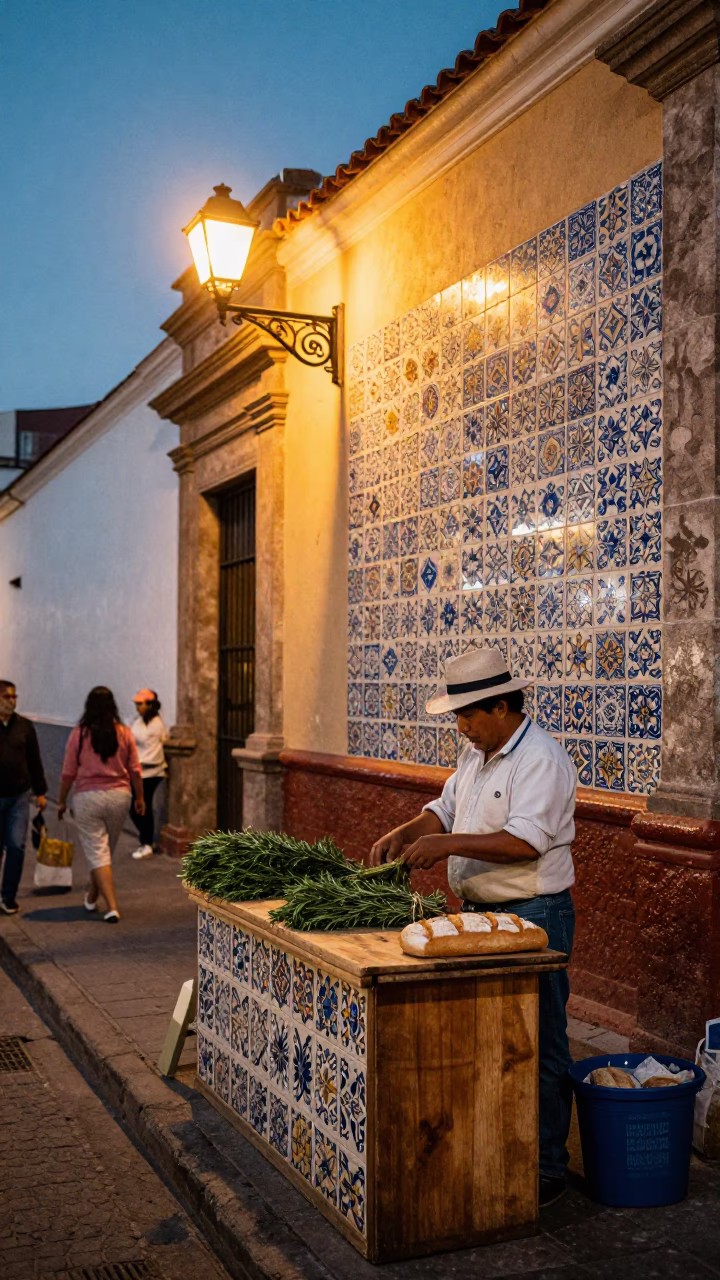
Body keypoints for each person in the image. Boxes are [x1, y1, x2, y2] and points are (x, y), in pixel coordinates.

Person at [369, 647, 577, 1209]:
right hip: (480, 915)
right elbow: (444, 808)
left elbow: (524, 842)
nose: (461, 728)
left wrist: (445, 845)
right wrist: (410, 829)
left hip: (535, 916)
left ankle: (547, 1169)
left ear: (502, 706)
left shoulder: (541, 759)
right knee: (491, 1038)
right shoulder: (476, 757)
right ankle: (498, 1148)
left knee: (541, 1041)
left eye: (468, 716)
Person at [58, 686, 144, 923]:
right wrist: (139, 798)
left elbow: (68, 772)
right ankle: (92, 894)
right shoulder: (124, 733)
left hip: (88, 798)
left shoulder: (79, 734)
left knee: (98, 851)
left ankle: (112, 907)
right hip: (119, 796)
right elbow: (135, 769)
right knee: (105, 851)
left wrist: (62, 800)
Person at [0, 679, 47, 915]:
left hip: (19, 795)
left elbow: (34, 760)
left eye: (14, 697)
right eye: (7, 697)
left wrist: (41, 792)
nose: (12, 701)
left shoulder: (24, 727)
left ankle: (8, 896)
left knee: (16, 846)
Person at [129, 688, 167, 860]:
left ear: (150, 704)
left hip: (153, 771)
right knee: (135, 808)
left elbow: (163, 742)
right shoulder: (137, 722)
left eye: (140, 704)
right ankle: (147, 839)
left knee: (142, 806)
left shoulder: (157, 724)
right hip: (137, 771)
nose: (138, 707)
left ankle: (146, 843)